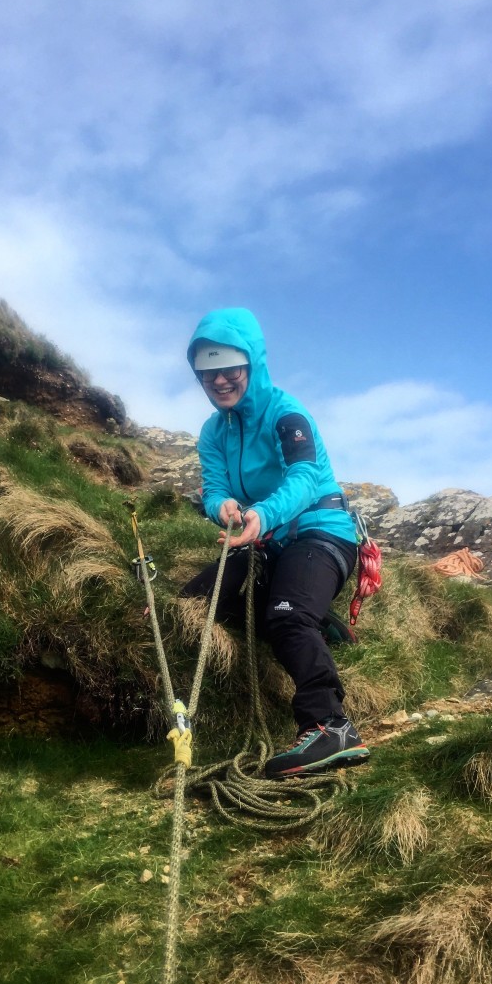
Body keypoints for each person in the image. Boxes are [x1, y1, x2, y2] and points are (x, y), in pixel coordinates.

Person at [180, 307, 370, 777]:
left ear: (253, 365)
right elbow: (214, 487)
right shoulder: (213, 432)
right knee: (212, 600)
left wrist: (263, 512)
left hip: (322, 531)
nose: (219, 381)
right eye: (208, 374)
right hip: (272, 540)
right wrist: (220, 506)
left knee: (285, 618)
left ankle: (330, 726)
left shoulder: (288, 415)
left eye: (230, 369)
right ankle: (319, 620)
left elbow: (305, 476)